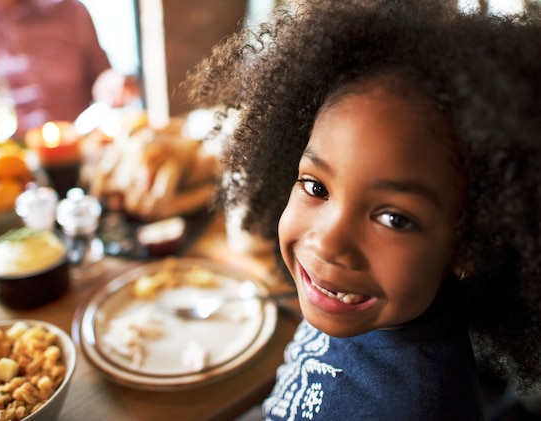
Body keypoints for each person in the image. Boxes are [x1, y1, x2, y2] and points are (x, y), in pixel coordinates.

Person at [185, 0, 541, 419]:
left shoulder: (406, 407)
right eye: (316, 187)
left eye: (394, 218)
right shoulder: (353, 303)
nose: (328, 241)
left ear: (470, 245)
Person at [0, 0, 140, 144]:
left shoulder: (70, 9)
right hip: (1, 173)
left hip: (81, 155)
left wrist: (112, 83)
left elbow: (102, 76)